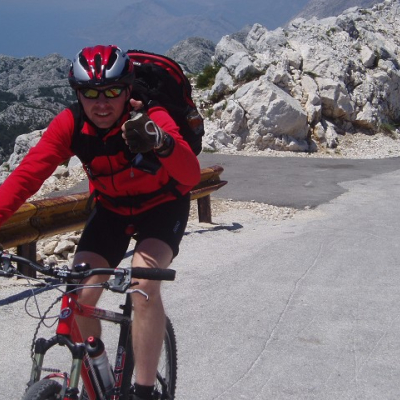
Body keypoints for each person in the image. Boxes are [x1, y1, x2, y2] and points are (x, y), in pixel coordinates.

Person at [0, 45, 201, 400]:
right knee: (79, 294)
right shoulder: (71, 124)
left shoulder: (150, 115)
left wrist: (161, 140)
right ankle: (100, 378)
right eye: (91, 93)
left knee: (143, 285)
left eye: (112, 91)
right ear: (78, 93)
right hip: (111, 210)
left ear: (128, 89)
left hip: (163, 206)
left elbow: (189, 176)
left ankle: (144, 391)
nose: (102, 103)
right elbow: (26, 177)